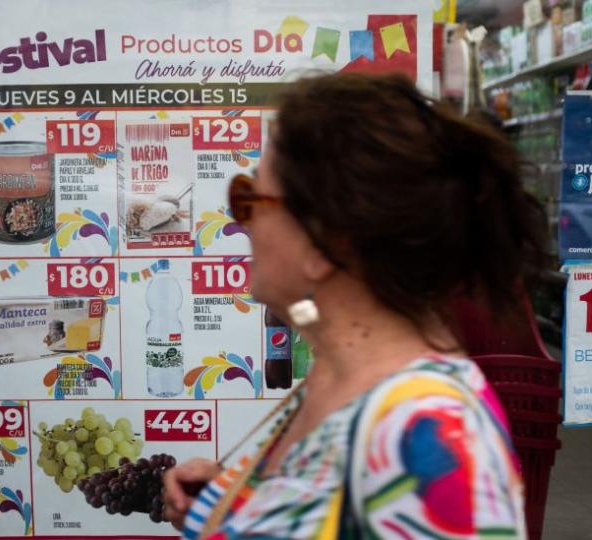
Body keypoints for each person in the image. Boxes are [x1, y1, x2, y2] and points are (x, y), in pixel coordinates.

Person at [162, 72, 548, 539]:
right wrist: (234, 501)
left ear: (326, 242)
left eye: (249, 198)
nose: (240, 223)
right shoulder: (340, 370)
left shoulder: (428, 440)